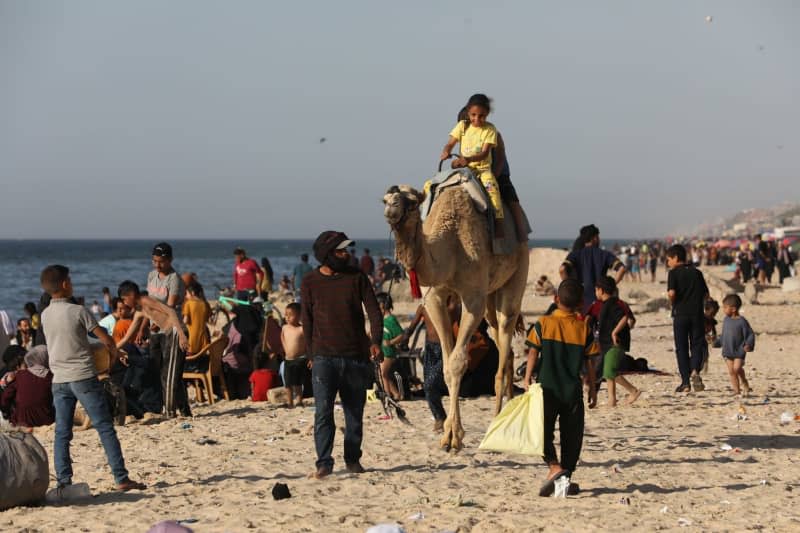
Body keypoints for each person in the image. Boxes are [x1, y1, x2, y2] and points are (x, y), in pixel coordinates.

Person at [39, 264, 146, 491]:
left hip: (59, 380)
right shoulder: (78, 311)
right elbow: (104, 338)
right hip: (83, 376)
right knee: (104, 427)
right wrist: (115, 353)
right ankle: (121, 478)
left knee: (62, 433)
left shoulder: (45, 314)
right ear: (66, 284)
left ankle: (64, 482)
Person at [301, 230, 383, 479]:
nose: (346, 254)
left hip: (356, 357)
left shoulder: (357, 277)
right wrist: (310, 354)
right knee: (323, 412)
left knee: (354, 414)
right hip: (323, 358)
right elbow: (307, 320)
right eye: (340, 250)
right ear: (327, 254)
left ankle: (352, 459)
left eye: (346, 250)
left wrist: (376, 341)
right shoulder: (310, 282)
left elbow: (374, 312)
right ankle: (324, 463)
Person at [523, 279, 598, 496]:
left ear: (556, 300)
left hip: (548, 390)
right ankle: (565, 474)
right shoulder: (583, 328)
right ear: (581, 304)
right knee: (572, 436)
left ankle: (555, 468)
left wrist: (527, 378)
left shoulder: (544, 323)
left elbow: (533, 353)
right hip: (572, 392)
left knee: (541, 432)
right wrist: (592, 389)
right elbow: (590, 364)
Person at [118, 279, 189, 418]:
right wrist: (112, 349)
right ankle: (185, 410)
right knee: (170, 374)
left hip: (176, 332)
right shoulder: (139, 311)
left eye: (124, 299)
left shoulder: (145, 300)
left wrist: (181, 335)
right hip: (169, 335)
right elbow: (127, 337)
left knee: (169, 375)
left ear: (131, 295)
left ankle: (170, 412)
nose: (125, 303)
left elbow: (171, 311)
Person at [440, 93, 505, 237]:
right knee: (434, 184)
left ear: (487, 114)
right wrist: (446, 151)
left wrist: (468, 159)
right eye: (473, 115)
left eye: (481, 116)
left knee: (492, 189)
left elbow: (484, 153)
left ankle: (499, 221)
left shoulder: (490, 130)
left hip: (482, 170)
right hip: (464, 170)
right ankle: (426, 217)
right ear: (468, 112)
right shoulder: (462, 126)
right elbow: (450, 143)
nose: (477, 119)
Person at [141, 242, 189, 418]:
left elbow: (170, 306)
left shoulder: (174, 279)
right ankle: (183, 408)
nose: (157, 265)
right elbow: (148, 305)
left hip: (171, 330)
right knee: (159, 371)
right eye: (154, 261)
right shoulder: (152, 276)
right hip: (155, 332)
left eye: (161, 261)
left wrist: (155, 322)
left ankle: (170, 411)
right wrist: (143, 327)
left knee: (170, 374)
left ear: (170, 260)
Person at [666, 244, 710, 393]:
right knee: (697, 343)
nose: (668, 263)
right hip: (697, 314)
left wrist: (672, 303)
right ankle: (695, 370)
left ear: (676, 258)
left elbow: (672, 293)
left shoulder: (673, 273)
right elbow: (706, 295)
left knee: (681, 348)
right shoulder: (697, 273)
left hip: (680, 314)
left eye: (669, 259)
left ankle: (685, 382)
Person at [594, 277, 640, 407]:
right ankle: (612, 400)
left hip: (615, 343)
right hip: (608, 344)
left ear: (601, 290)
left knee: (610, 371)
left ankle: (633, 391)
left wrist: (615, 333)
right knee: (608, 372)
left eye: (596, 290)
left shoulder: (612, 304)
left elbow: (624, 318)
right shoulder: (609, 304)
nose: (595, 292)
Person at [560, 224, 626, 313]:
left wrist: (569, 287)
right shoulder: (604, 254)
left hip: (581, 301)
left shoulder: (575, 255)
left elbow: (562, 269)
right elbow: (621, 269)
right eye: (598, 237)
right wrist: (610, 285)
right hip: (601, 299)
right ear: (594, 238)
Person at [403, 302, 447, 432]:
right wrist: (404, 339)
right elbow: (411, 328)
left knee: (431, 384)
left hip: (445, 347)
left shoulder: (448, 304)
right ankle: (440, 417)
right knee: (428, 387)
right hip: (430, 349)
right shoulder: (424, 306)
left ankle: (444, 417)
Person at [0, 346, 55, 429]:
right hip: (47, 419)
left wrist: (7, 413)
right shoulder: (50, 376)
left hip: (21, 420)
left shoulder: (18, 375)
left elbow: (5, 398)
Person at [719, 294, 755, 397]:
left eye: (725, 307)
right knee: (731, 371)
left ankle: (744, 380)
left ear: (733, 309)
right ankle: (736, 390)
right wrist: (716, 342)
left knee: (737, 368)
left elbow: (750, 334)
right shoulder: (726, 320)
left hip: (739, 350)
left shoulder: (742, 322)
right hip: (728, 350)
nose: (723, 309)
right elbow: (724, 335)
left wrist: (748, 344)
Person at [376, 292, 404, 402]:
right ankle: (395, 394)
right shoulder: (382, 320)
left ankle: (388, 395)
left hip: (389, 352)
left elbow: (401, 335)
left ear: (382, 305)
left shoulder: (391, 320)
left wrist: (391, 342)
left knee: (382, 373)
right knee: (384, 375)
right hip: (383, 352)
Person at [281, 302, 307, 408]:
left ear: (299, 316)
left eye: (290, 315)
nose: (287, 317)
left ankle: (299, 400)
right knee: (288, 383)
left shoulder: (301, 329)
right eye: (286, 315)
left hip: (299, 359)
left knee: (297, 382)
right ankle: (289, 402)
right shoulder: (285, 328)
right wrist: (285, 349)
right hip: (288, 359)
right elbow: (282, 338)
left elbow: (306, 342)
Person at [182, 282, 211, 362]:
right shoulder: (205, 304)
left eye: (186, 293)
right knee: (200, 358)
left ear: (193, 293)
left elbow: (186, 320)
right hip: (203, 338)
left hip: (191, 338)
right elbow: (207, 319)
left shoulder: (188, 304)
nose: (185, 296)